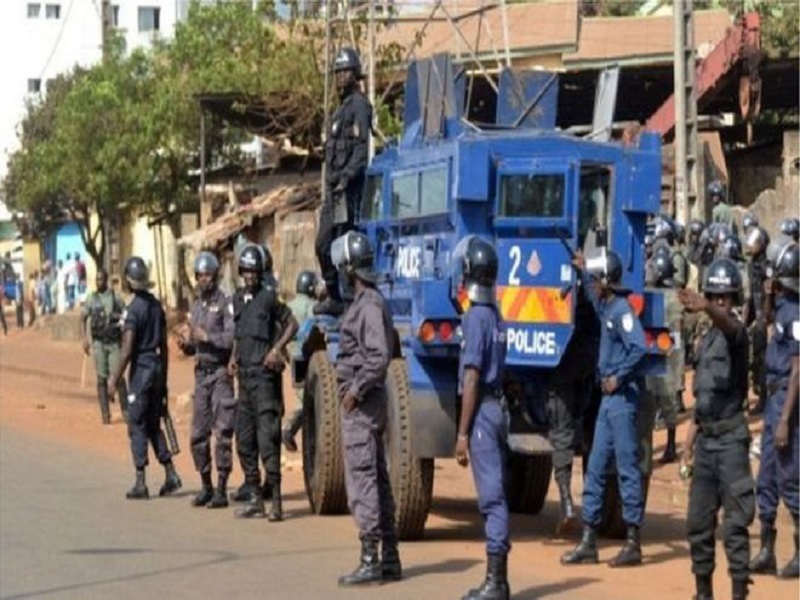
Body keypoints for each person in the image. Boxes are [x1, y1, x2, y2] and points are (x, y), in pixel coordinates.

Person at [562, 248, 647, 568]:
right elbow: (592, 297)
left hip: (621, 401)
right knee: (595, 468)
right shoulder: (607, 306)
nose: (594, 284)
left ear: (608, 282)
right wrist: (583, 270)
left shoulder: (622, 310)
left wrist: (618, 376)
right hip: (608, 404)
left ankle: (633, 541)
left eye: (597, 278)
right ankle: (589, 541)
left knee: (627, 469)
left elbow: (639, 347)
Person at [678, 257, 753, 600]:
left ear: (734, 300)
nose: (720, 302)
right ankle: (702, 592)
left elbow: (729, 326)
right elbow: (702, 397)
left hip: (732, 442)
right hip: (707, 442)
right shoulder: (706, 341)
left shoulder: (737, 335)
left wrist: (707, 306)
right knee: (698, 524)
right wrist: (689, 442)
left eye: (725, 298)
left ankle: (739, 593)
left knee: (736, 527)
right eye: (714, 296)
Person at [333, 231, 400, 586]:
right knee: (376, 478)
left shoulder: (369, 305)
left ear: (347, 269)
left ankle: (370, 559)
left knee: (363, 481)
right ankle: (389, 557)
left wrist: (355, 391)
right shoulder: (366, 302)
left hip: (363, 406)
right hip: (365, 404)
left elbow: (378, 357)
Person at [453, 236, 511, 600]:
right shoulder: (494, 314)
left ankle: (496, 582)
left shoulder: (476, 318)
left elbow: (471, 376)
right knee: (496, 493)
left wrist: (462, 433)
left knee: (491, 497)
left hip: (483, 415)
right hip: (498, 408)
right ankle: (497, 579)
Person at [229, 244, 297, 521]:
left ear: (261, 272)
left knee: (268, 440)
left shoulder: (269, 298)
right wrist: (232, 358)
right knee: (243, 441)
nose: (250, 276)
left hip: (265, 380)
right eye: (246, 271)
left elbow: (292, 323)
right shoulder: (236, 300)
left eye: (254, 271)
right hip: (243, 380)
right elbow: (238, 333)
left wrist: (276, 349)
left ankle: (276, 502)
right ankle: (255, 496)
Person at [108, 257, 182, 500]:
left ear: (129, 281)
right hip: (158, 368)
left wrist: (113, 379)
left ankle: (141, 481)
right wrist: (164, 382)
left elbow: (128, 349)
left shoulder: (134, 310)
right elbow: (164, 345)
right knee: (153, 424)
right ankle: (170, 473)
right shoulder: (156, 306)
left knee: (137, 423)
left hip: (141, 371)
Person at [750, 240, 799, 580]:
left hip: (786, 400)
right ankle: (767, 548)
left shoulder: (796, 313)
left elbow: (798, 368)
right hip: (772, 398)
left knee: (790, 476)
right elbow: (766, 319)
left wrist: (784, 420)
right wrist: (767, 294)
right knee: (766, 475)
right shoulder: (781, 306)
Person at [314, 47, 373, 316]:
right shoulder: (339, 111)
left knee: (343, 248)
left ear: (355, 73)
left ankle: (349, 300)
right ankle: (335, 295)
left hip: (349, 191)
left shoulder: (359, 105)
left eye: (345, 71)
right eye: (337, 72)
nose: (340, 76)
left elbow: (361, 152)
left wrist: (346, 178)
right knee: (323, 244)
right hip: (334, 192)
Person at [177, 251, 235, 509]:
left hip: (220, 374)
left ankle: (222, 488)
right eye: (200, 276)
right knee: (198, 435)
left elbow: (230, 339)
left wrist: (207, 336)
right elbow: (194, 342)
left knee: (222, 432)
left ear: (216, 275)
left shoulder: (225, 304)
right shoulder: (197, 305)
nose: (203, 280)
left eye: (207, 275)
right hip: (201, 375)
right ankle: (206, 486)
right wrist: (187, 344)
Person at [646, 245, 682, 463]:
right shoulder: (675, 296)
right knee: (668, 400)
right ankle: (670, 444)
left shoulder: (653, 295)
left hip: (656, 352)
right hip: (669, 353)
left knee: (653, 399)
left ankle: (660, 446)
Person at [80, 269, 128, 425]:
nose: (98, 282)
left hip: (114, 343)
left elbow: (127, 316)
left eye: (101, 279)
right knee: (101, 379)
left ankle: (126, 412)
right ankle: (105, 414)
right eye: (96, 279)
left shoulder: (116, 298)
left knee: (118, 377)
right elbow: (82, 318)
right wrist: (83, 338)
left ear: (106, 280)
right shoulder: (91, 299)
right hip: (99, 343)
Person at [282, 270, 319, 453]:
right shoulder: (312, 306)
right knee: (309, 399)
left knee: (303, 395)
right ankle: (290, 430)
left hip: (292, 356)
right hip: (306, 357)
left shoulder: (289, 306)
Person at [744, 226, 771, 415]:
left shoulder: (766, 266)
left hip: (765, 317)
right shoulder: (751, 264)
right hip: (756, 315)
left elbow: (770, 293)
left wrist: (766, 318)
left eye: (754, 242)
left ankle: (764, 398)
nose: (750, 245)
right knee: (753, 357)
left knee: (762, 359)